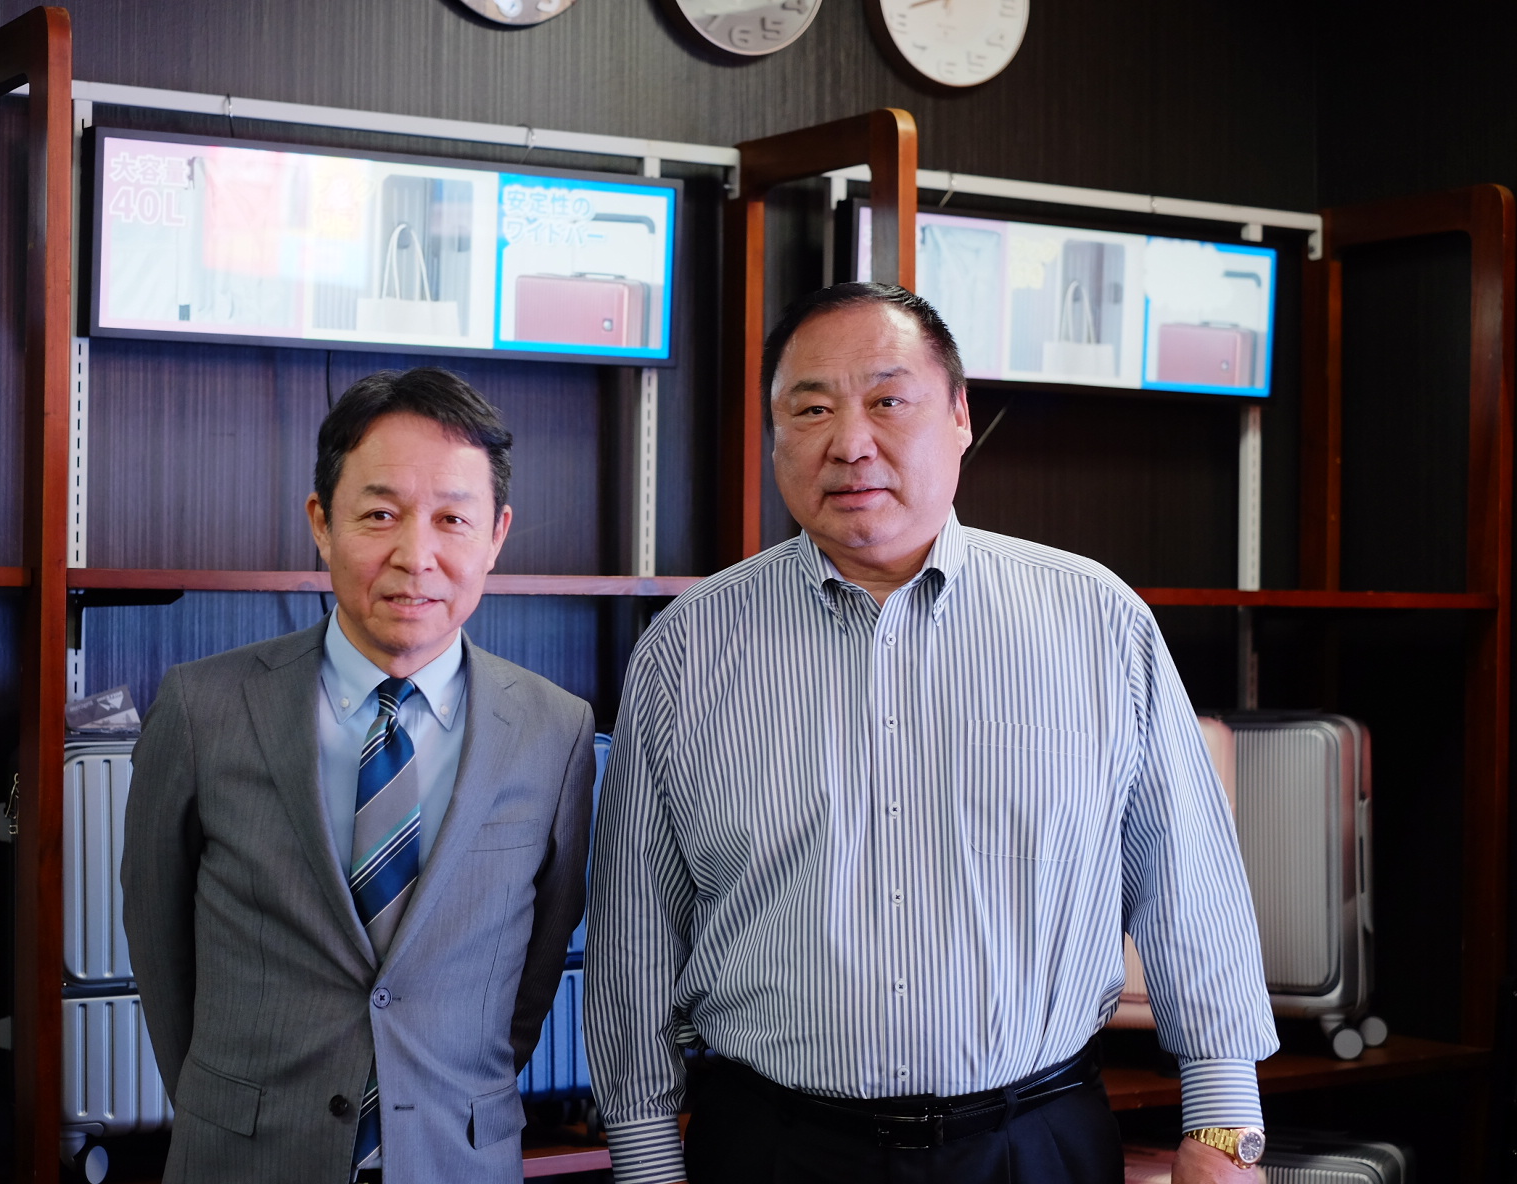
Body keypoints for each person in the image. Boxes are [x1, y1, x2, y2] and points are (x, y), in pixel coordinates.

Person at [584, 284, 1278, 1184]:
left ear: (959, 417)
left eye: (888, 401)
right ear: (775, 437)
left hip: (1035, 1142)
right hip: (774, 1145)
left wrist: (1223, 1126)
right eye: (812, 409)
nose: (850, 442)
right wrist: (644, 1156)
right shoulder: (687, 649)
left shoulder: (1095, 620)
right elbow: (635, 930)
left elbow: (1188, 879)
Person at [123, 367, 596, 1184]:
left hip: (455, 1158)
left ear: (496, 535)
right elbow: (160, 949)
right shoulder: (203, 710)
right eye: (380, 514)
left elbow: (537, 970)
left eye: (453, 519)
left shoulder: (555, 731)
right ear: (322, 522)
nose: (415, 556)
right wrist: (230, 1108)